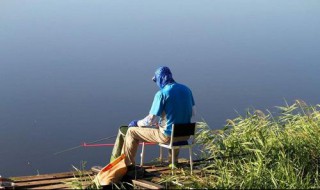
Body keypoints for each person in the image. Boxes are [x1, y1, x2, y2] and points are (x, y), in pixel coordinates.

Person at [122, 66, 196, 169]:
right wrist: (163, 122)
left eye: (156, 80)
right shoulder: (186, 89)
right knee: (174, 128)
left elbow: (150, 120)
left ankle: (127, 166)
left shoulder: (162, 94)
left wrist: (137, 123)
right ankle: (173, 162)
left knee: (131, 132)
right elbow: (192, 113)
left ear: (160, 79)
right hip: (186, 135)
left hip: (167, 137)